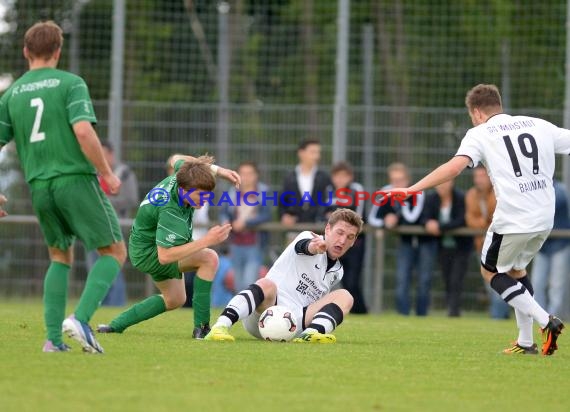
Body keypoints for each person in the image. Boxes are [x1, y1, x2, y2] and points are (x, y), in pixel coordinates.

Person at [388, 84, 565, 355]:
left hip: (513, 218)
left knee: (491, 271)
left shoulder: (480, 133)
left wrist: (412, 189)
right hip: (544, 218)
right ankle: (526, 342)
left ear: (478, 112)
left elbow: (454, 167)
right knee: (516, 271)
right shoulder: (539, 125)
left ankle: (545, 321)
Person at [0, 21, 126, 353]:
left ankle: (54, 340)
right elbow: (83, 131)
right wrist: (108, 173)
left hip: (38, 186)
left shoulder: (11, 93)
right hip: (74, 179)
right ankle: (81, 320)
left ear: (26, 52)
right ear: (58, 51)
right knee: (114, 251)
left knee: (59, 255)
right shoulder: (70, 83)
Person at [96, 154, 240, 339]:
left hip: (146, 248)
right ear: (183, 190)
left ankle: (115, 326)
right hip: (151, 253)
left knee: (175, 299)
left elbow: (175, 158)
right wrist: (207, 240)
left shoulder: (182, 176)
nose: (205, 199)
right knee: (209, 258)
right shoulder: (170, 211)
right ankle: (202, 328)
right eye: (201, 195)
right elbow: (165, 256)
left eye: (208, 195)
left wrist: (218, 170)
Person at [204, 208, 363, 343]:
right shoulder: (307, 236)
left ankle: (312, 334)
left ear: (354, 241)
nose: (342, 241)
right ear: (328, 229)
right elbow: (306, 246)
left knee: (345, 296)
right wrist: (315, 247)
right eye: (339, 232)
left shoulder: (338, 271)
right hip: (265, 314)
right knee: (267, 284)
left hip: (296, 324)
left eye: (349, 237)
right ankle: (220, 326)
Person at [368, 162, 438, 316]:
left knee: (424, 280)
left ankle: (421, 316)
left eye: (400, 180)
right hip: (405, 243)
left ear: (407, 180)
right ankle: (403, 315)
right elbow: (372, 218)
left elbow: (412, 217)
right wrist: (385, 222)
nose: (396, 184)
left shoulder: (417, 191)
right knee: (402, 279)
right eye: (393, 180)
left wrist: (396, 215)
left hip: (425, 243)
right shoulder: (386, 192)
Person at [85, 141, 139, 306]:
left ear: (110, 154)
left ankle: (115, 304)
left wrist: (104, 201)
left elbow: (131, 199)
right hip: (94, 226)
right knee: (94, 267)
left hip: (115, 227)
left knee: (113, 267)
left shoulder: (124, 173)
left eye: (102, 153)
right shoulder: (92, 173)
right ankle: (97, 303)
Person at [465, 165, 510, 319]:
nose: (479, 180)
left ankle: (498, 318)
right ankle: (501, 318)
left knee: (500, 284)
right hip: (482, 246)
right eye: (476, 176)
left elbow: (499, 218)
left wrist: (485, 223)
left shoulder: (499, 192)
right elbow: (470, 220)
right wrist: (484, 222)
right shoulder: (471, 195)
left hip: (501, 246)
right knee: (491, 286)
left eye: (482, 176)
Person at [220, 161, 272, 292]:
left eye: (250, 173)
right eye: (243, 173)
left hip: (255, 244)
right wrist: (226, 222)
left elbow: (267, 215)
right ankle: (240, 311)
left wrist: (246, 223)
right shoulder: (232, 192)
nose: (246, 177)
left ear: (256, 175)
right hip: (235, 243)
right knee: (237, 283)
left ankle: (250, 311)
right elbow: (224, 213)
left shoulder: (263, 192)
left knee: (249, 281)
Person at [424, 180, 473, 317]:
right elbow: (424, 217)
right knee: (446, 278)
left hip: (461, 247)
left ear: (451, 183)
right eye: (439, 183)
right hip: (443, 247)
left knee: (456, 279)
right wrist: (428, 223)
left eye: (444, 183)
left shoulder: (460, 198)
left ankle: (454, 311)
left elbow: (462, 219)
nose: (441, 186)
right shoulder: (431, 198)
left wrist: (440, 226)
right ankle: (451, 308)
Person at [325, 161, 368, 313]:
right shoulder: (329, 190)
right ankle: (352, 310)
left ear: (350, 177)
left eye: (344, 176)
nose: (340, 180)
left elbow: (358, 216)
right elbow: (323, 212)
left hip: (355, 244)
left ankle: (361, 311)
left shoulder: (356, 190)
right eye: (337, 176)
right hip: (335, 242)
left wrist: (337, 217)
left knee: (352, 280)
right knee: (341, 278)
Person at [531, 180, 570, 319]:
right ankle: (541, 319)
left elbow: (550, 205)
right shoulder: (535, 188)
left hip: (560, 244)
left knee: (556, 285)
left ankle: (553, 320)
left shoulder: (560, 189)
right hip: (542, 245)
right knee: (536, 283)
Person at [280, 139, 332, 228]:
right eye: (312, 152)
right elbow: (283, 201)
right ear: (301, 153)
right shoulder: (289, 177)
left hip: (318, 229)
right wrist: (284, 215)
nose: (316, 156)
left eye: (318, 152)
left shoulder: (324, 177)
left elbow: (329, 200)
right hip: (294, 229)